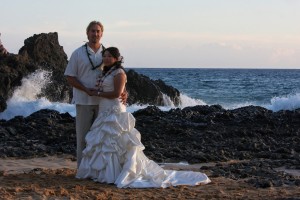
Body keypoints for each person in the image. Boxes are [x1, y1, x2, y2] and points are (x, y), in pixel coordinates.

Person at [76, 47, 211, 188]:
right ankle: (102, 172)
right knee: (103, 141)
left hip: (114, 109)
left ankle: (115, 173)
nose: (107, 58)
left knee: (115, 141)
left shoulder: (119, 72)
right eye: (105, 56)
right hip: (104, 108)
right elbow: (115, 90)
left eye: (110, 56)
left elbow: (116, 93)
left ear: (116, 58)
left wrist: (96, 93)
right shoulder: (106, 72)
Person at [64, 21, 126, 167]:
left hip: (103, 104)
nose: (95, 34)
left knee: (101, 139)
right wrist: (86, 90)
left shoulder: (107, 53)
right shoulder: (78, 53)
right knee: (84, 137)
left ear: (102, 33)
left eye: (98, 31)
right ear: (87, 33)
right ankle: (82, 168)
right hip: (83, 100)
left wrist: (124, 91)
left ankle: (98, 169)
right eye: (92, 31)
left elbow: (118, 73)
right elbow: (69, 76)